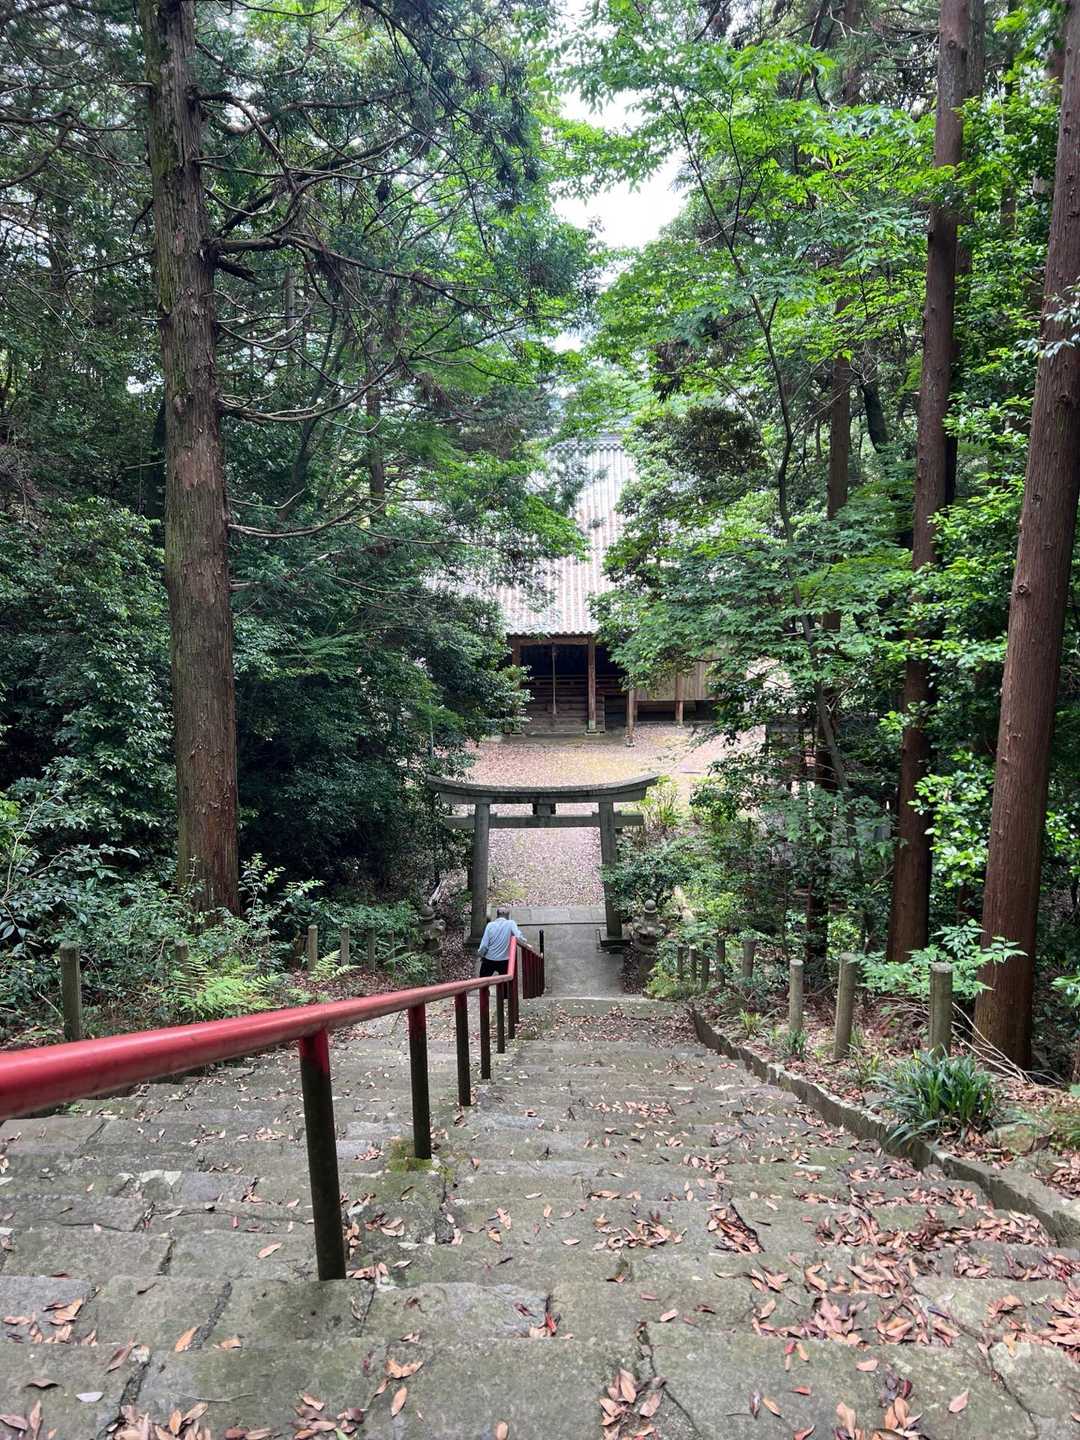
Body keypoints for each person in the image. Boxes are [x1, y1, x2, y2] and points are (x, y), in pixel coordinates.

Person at [477, 905, 524, 976]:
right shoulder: (511, 923)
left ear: (497, 915)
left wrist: (481, 955)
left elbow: (484, 945)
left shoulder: (490, 925)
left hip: (489, 958)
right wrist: (526, 943)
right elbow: (519, 937)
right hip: (504, 960)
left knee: (483, 980)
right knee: (506, 981)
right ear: (508, 916)